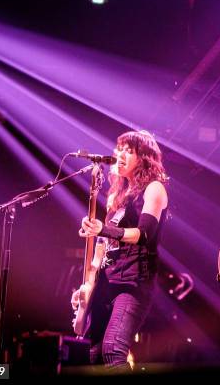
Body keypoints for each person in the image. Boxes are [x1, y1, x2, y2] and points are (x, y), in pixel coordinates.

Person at [71, 130, 169, 371]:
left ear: (144, 158)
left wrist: (103, 229)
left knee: (113, 348)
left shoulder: (154, 189)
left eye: (128, 150)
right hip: (107, 283)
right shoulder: (118, 196)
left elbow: (143, 234)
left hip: (132, 285)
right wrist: (87, 285)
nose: (120, 154)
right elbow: (101, 251)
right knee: (95, 354)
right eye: (119, 149)